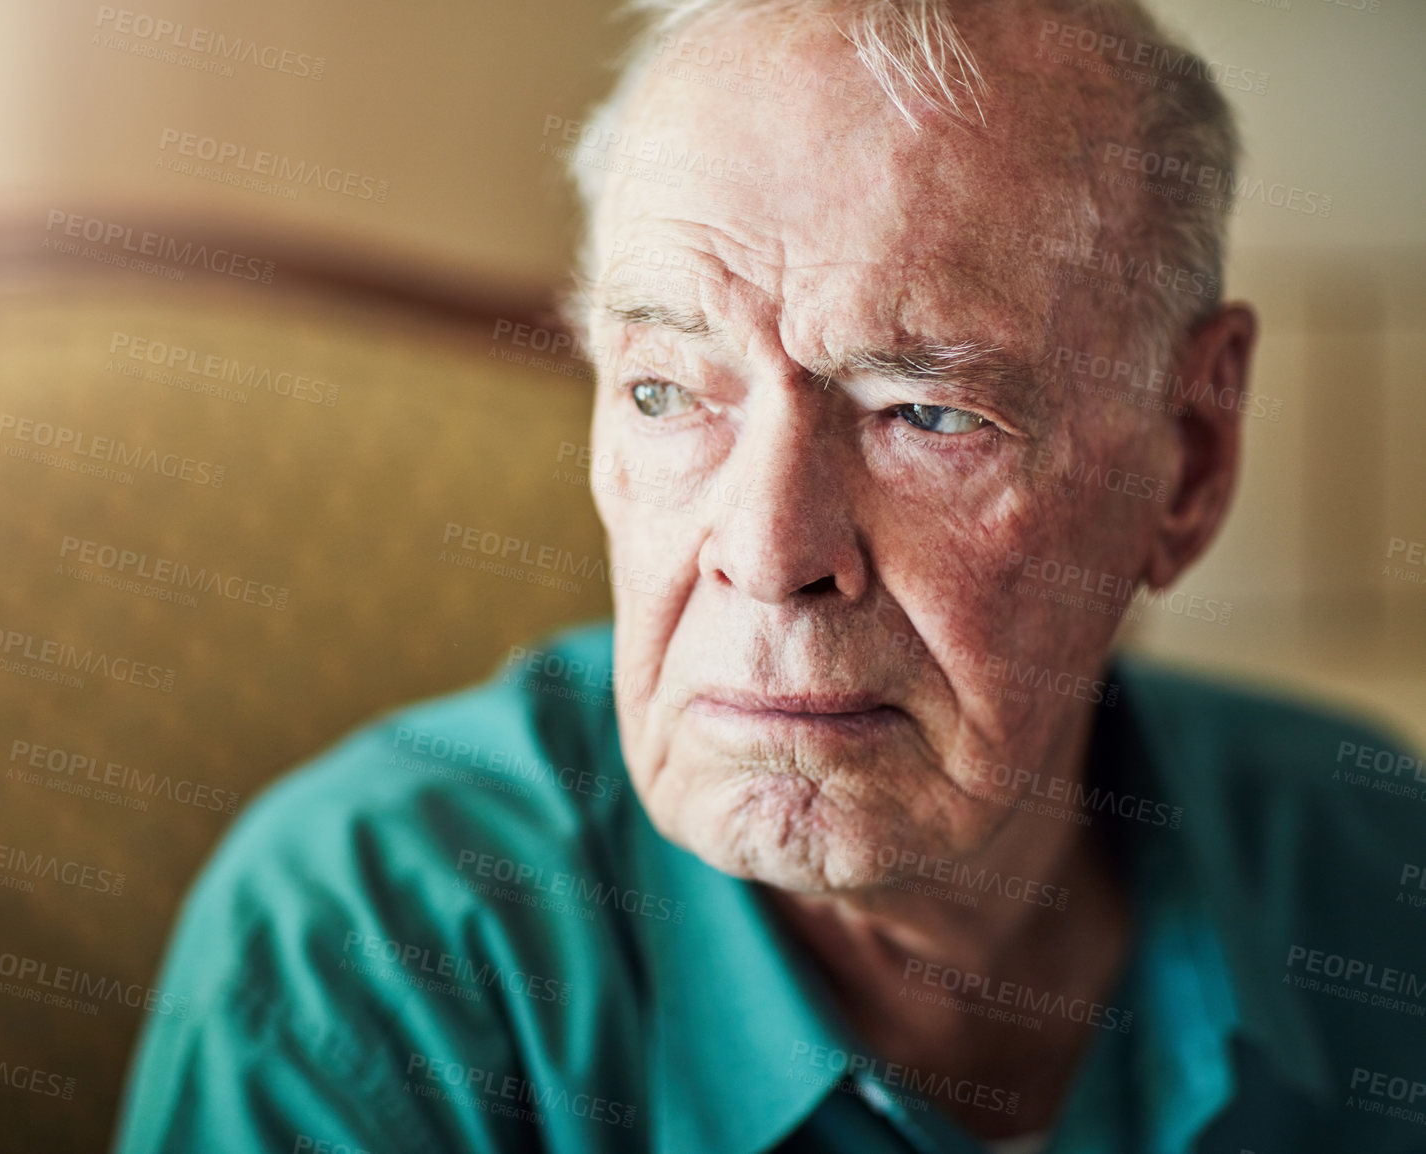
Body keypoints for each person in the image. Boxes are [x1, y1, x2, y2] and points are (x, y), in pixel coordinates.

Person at [115, 2, 1425, 1151]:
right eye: (665, 391)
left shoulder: (1371, 865)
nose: (767, 552)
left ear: (1186, 459)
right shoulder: (367, 954)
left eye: (925, 413)